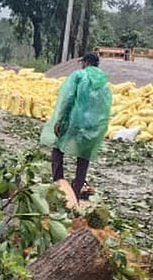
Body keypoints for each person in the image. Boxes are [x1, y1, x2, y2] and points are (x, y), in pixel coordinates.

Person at [40, 52, 112, 201]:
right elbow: (105, 107)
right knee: (84, 155)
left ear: (85, 62)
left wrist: (60, 120)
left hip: (75, 121)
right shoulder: (104, 83)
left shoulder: (79, 76)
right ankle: (76, 190)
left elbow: (69, 98)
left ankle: (59, 184)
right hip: (93, 124)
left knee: (58, 147)